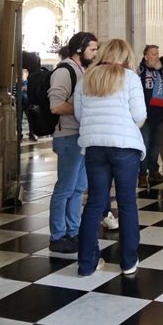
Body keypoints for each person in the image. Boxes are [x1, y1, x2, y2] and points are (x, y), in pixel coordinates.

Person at [74, 38, 146, 276]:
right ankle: (128, 262)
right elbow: (139, 114)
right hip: (124, 146)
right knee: (126, 203)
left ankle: (86, 264)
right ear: (126, 57)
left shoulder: (86, 78)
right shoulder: (130, 77)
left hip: (95, 146)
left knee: (94, 202)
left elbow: (78, 114)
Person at [47, 32, 97, 254]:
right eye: (92, 49)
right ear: (79, 49)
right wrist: (88, 109)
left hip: (81, 135)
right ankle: (57, 236)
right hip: (67, 136)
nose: (95, 54)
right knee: (64, 189)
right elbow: (56, 106)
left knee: (78, 188)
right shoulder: (64, 71)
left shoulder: (82, 70)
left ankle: (73, 232)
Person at [138, 44, 163, 186]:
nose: (156, 57)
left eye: (157, 54)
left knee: (155, 145)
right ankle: (141, 175)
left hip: (159, 113)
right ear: (146, 57)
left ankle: (153, 171)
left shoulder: (161, 71)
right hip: (145, 115)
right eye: (153, 54)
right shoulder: (140, 71)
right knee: (144, 145)